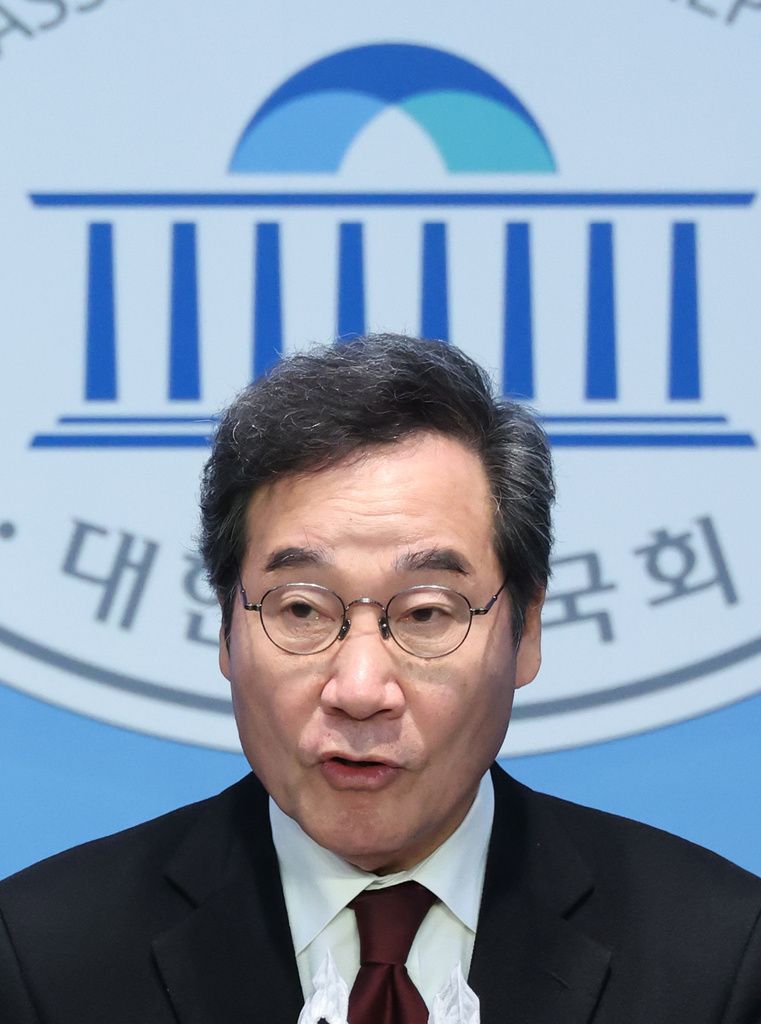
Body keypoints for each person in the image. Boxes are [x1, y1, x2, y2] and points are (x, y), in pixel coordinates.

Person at [1, 334, 760, 1024]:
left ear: (525, 631)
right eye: (302, 609)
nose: (360, 689)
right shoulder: (42, 957)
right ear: (226, 628)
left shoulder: (718, 956)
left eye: (427, 614)